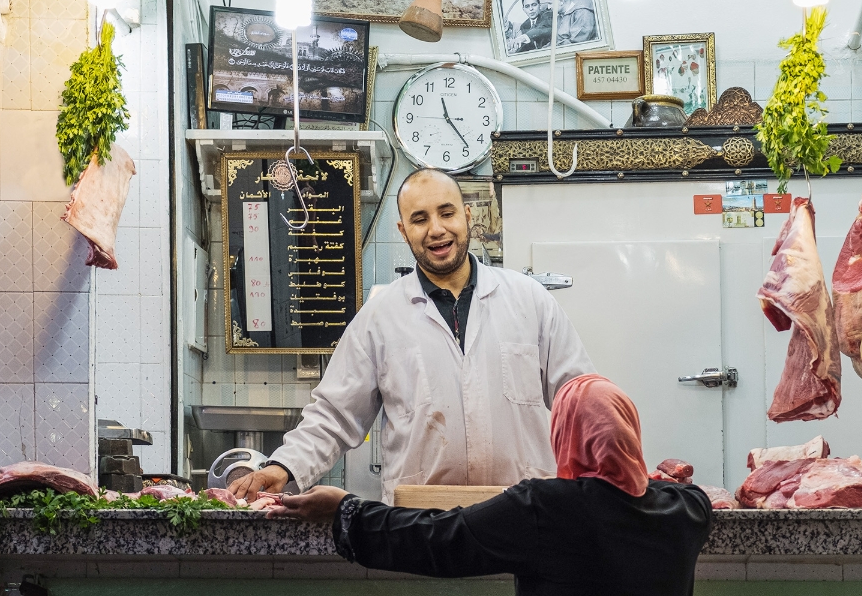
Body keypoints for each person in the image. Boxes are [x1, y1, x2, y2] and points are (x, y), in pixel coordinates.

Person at [229, 168, 595, 503]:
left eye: (447, 213)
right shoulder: (380, 317)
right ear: (404, 230)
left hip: (522, 512)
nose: (436, 229)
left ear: (467, 216)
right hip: (420, 522)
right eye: (420, 219)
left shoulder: (529, 300)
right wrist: (284, 466)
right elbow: (335, 414)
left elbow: (582, 401)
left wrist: (608, 472)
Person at [267, 374, 713, 595]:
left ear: (566, 435)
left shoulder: (546, 508)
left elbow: (438, 540)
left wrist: (345, 509)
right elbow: (664, 490)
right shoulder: (687, 509)